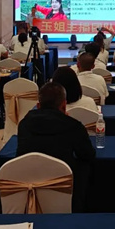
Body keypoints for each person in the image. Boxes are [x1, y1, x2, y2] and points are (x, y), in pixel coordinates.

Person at [17, 82, 95, 212]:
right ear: (64, 105)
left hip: (28, 183)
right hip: (63, 184)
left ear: (38, 105)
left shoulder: (24, 124)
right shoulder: (74, 126)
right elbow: (88, 155)